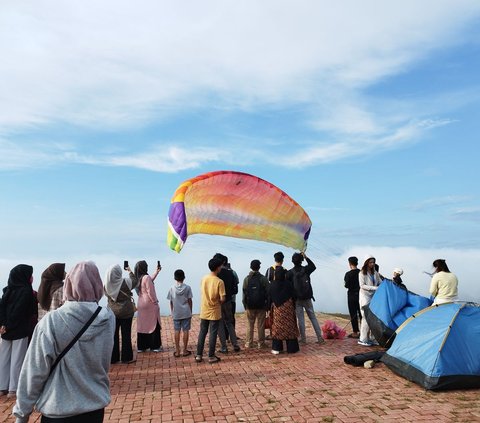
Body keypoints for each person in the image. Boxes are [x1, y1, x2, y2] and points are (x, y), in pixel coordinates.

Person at [13, 261, 115, 422]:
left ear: (68, 284)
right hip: (94, 409)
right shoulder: (108, 319)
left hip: (58, 409)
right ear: (98, 284)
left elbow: (34, 371)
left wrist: (22, 413)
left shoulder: (51, 322)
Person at [0, 265, 36, 398]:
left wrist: (3, 324)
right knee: (17, 359)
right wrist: (10, 324)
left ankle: (2, 386)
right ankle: (13, 389)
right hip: (20, 329)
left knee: (4, 358)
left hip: (5, 330)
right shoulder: (26, 291)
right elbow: (23, 311)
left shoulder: (7, 290)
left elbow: (1, 308)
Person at [288, 252, 324, 345]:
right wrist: (306, 257)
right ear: (301, 260)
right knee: (313, 317)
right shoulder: (306, 269)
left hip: (297, 299)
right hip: (307, 298)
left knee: (300, 319)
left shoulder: (290, 273)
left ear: (292, 261)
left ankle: (303, 339)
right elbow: (313, 266)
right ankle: (320, 338)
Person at [104, 264, 138, 364]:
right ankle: (126, 357)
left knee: (113, 336)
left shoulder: (106, 285)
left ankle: (113, 358)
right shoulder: (126, 282)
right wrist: (130, 271)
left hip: (112, 312)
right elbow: (135, 281)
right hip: (126, 312)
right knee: (126, 334)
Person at [195, 257, 226, 363]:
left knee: (202, 332)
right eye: (221, 266)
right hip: (214, 311)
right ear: (217, 268)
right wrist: (219, 301)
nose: (221, 267)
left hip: (204, 309)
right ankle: (211, 356)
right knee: (213, 333)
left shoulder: (204, 278)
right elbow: (223, 298)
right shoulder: (219, 282)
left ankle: (198, 355)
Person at [270, 260, 299, 354]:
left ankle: (277, 348)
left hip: (277, 309)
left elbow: (269, 296)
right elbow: (295, 296)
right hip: (288, 309)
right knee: (290, 328)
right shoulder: (288, 284)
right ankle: (292, 348)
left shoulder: (272, 285)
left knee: (277, 328)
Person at [214, 253, 240, 354]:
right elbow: (235, 289)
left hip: (219, 302)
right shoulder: (231, 273)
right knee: (229, 323)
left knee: (220, 323)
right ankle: (235, 344)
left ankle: (224, 347)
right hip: (228, 301)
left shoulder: (216, 274)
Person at [135, 260, 162, 353]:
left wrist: (157, 272)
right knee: (153, 324)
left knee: (143, 325)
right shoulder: (146, 277)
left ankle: (142, 347)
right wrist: (155, 301)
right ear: (144, 267)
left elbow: (149, 280)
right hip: (149, 304)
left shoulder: (138, 278)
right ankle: (154, 346)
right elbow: (150, 291)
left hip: (141, 303)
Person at [242, 259, 269, 349]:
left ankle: (249, 343)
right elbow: (268, 292)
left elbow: (244, 293)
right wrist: (267, 305)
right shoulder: (263, 278)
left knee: (250, 324)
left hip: (250, 305)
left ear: (251, 267)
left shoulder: (246, 279)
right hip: (261, 305)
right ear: (259, 267)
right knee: (260, 324)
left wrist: (245, 305)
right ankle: (261, 343)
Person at [167, 269, 193, 358]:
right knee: (186, 331)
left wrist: (172, 311)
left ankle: (177, 351)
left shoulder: (171, 288)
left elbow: (171, 301)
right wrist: (191, 311)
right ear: (184, 277)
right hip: (186, 312)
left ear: (175, 278)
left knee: (177, 331)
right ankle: (185, 350)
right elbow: (190, 300)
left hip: (176, 313)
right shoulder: (188, 288)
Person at [358, 255, 382, 347]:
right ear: (366, 263)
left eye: (373, 262)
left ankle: (372, 338)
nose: (372, 264)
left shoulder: (375, 272)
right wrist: (374, 288)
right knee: (365, 318)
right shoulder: (361, 273)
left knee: (374, 318)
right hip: (365, 297)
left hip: (373, 297)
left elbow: (380, 282)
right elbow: (362, 285)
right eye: (370, 262)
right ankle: (363, 339)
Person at [265, 252, 284, 340]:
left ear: (274, 259)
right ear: (282, 260)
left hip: (270, 296)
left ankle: (272, 333)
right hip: (281, 298)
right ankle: (281, 333)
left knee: (271, 316)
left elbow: (266, 283)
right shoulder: (284, 270)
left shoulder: (269, 270)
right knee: (281, 317)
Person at [344, 256, 361, 339]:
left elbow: (346, 285)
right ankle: (364, 331)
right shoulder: (361, 272)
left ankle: (355, 332)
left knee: (353, 314)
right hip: (361, 295)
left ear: (350, 263)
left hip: (351, 295)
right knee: (362, 314)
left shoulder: (348, 274)